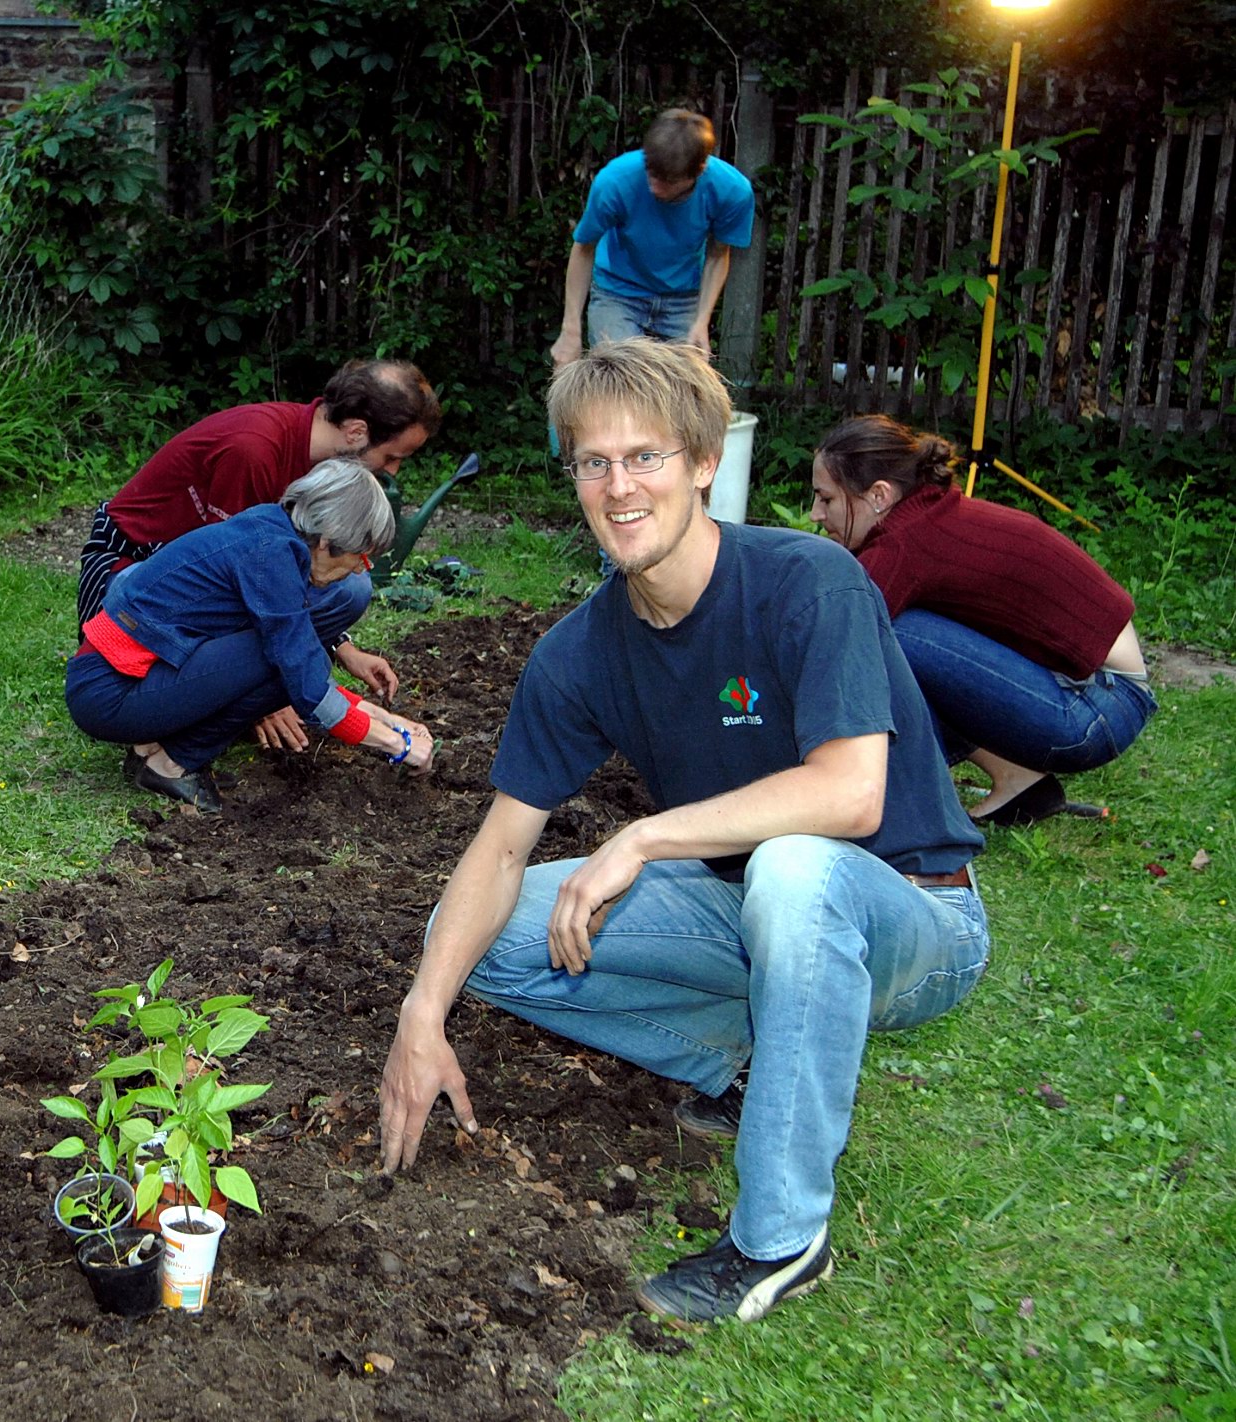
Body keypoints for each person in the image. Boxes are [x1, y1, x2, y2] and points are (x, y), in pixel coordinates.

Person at [378, 340, 990, 1325]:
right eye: (594, 462)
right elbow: (498, 849)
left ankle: (781, 1238)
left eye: (645, 457)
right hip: (746, 910)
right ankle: (750, 1057)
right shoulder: (580, 652)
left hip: (913, 920)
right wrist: (421, 1013)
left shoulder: (808, 580)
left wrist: (642, 839)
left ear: (704, 463)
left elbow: (851, 797)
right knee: (480, 938)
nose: (619, 488)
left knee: (795, 869)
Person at [810, 415, 1156, 826]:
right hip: (1099, 694)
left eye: (826, 499)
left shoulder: (903, 546)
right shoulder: (925, 516)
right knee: (893, 631)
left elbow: (832, 643)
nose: (815, 514)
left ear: (880, 495)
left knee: (889, 635)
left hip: (1098, 707)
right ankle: (1017, 779)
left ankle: (920, 804)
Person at [76, 358, 443, 745]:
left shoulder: (317, 462)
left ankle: (233, 680)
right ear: (356, 431)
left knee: (350, 589)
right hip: (128, 571)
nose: (392, 471)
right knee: (282, 642)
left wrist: (342, 647)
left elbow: (281, 577)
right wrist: (268, 694)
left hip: (202, 588)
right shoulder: (254, 451)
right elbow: (237, 582)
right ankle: (183, 702)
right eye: (391, 457)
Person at [66, 460, 437, 814]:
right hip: (108, 694)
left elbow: (304, 668)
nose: (359, 570)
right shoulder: (271, 558)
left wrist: (385, 719)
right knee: (281, 661)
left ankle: (154, 749)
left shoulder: (272, 529)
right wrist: (397, 744)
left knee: (292, 656)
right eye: (362, 557)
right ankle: (170, 763)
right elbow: (304, 681)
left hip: (120, 679)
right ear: (327, 541)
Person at [550, 109, 755, 369]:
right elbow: (583, 248)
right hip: (618, 291)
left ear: (699, 170)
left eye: (668, 181)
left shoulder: (732, 192)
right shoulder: (616, 181)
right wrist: (570, 331)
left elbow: (718, 254)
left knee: (685, 385)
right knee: (621, 378)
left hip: (683, 297)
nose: (654, 186)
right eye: (651, 172)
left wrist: (701, 321)